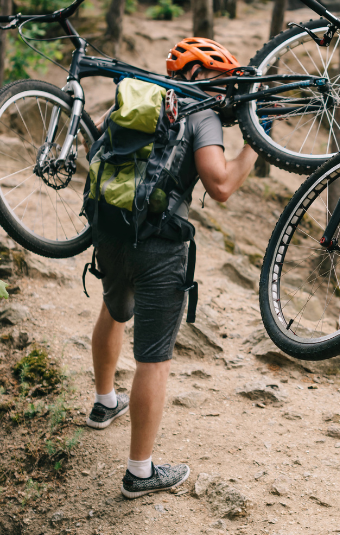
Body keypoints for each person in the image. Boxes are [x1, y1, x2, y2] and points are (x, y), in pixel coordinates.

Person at [85, 38, 260, 499]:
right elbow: (219, 184)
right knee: (154, 358)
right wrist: (253, 150)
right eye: (219, 81)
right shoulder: (200, 114)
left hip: (110, 226)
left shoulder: (138, 94)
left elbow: (99, 146)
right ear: (199, 75)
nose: (224, 93)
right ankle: (140, 473)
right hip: (160, 241)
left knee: (114, 308)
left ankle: (105, 403)